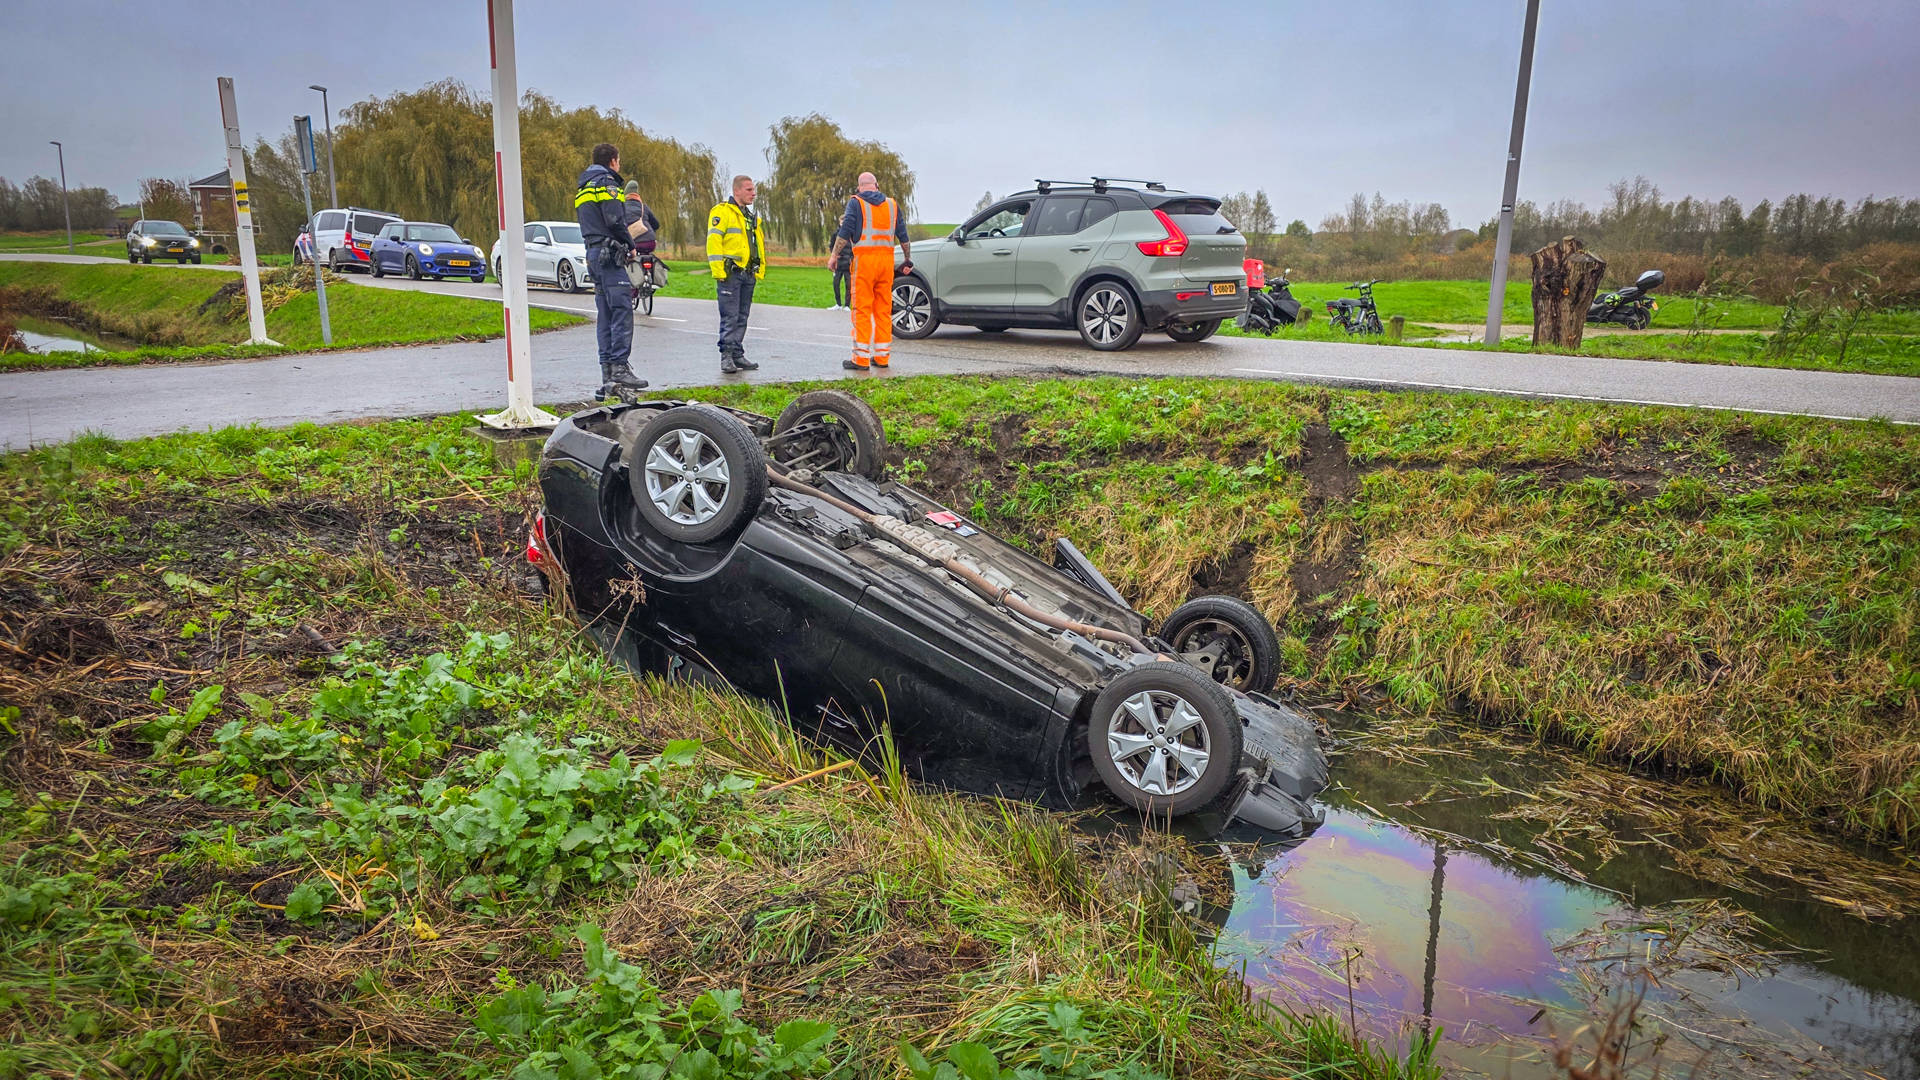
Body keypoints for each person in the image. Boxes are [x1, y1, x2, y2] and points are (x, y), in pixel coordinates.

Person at [574, 142, 645, 395]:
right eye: (619, 160)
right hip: (610, 255)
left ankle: (607, 372)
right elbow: (614, 219)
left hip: (593, 253)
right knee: (622, 309)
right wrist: (630, 243)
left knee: (604, 312)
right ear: (613, 161)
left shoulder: (584, 186)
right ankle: (620, 368)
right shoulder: (608, 183)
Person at [826, 172, 911, 371]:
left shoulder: (855, 203)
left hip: (864, 262)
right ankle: (882, 357)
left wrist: (834, 256)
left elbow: (844, 232)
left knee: (862, 309)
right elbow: (903, 235)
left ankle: (861, 359)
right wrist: (907, 258)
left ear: (859, 187)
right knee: (883, 309)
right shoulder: (892, 204)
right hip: (886, 261)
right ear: (877, 185)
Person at [706, 175, 766, 374]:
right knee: (730, 316)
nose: (753, 193)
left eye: (753, 189)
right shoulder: (722, 212)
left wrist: (760, 267)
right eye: (749, 190)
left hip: (748, 272)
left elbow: (757, 244)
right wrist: (718, 270)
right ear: (737, 190)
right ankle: (726, 356)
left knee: (743, 316)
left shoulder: (750, 216)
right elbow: (714, 242)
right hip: (730, 273)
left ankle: (737, 354)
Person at [622, 180, 667, 295]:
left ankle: (633, 289)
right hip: (650, 242)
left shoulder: (622, 207)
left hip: (633, 242)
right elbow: (656, 224)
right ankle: (650, 277)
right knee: (648, 256)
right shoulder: (644, 207)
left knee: (628, 259)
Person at [830, 241, 851, 310]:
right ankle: (838, 304)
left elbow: (855, 246)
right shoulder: (837, 234)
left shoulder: (851, 234)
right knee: (835, 283)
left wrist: (852, 258)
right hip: (838, 264)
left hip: (848, 264)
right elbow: (831, 245)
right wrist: (834, 255)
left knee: (848, 285)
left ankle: (847, 306)